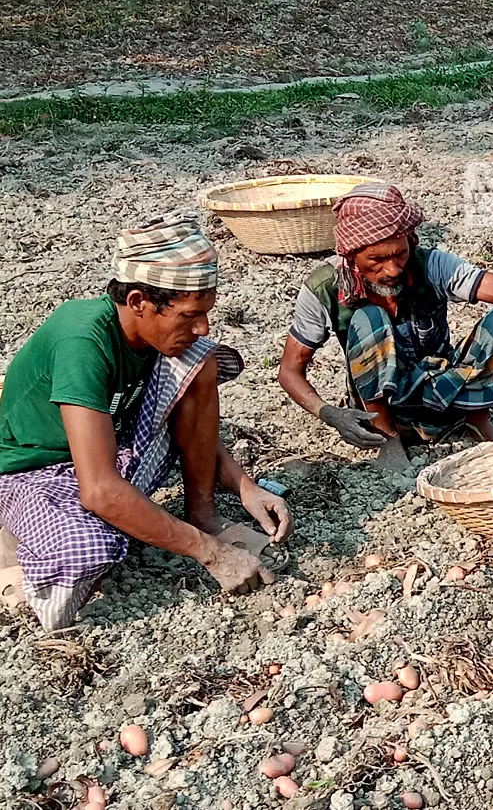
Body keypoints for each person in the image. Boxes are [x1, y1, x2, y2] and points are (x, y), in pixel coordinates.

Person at [0, 219, 290, 631]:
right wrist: (209, 553)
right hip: (33, 473)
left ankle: (201, 514)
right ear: (138, 301)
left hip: (107, 450)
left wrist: (244, 485)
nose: (202, 327)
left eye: (205, 313)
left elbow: (186, 415)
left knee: (201, 361)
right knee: (86, 550)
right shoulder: (82, 341)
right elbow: (99, 489)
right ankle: (13, 542)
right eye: (189, 315)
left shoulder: (152, 338)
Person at [278, 183, 493, 469]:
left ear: (410, 241)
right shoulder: (324, 288)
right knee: (369, 318)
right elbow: (289, 371)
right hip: (381, 408)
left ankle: (475, 418)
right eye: (377, 260)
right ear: (350, 254)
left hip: (446, 393)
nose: (392, 269)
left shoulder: (432, 264)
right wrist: (329, 413)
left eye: (400, 254)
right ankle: (388, 439)